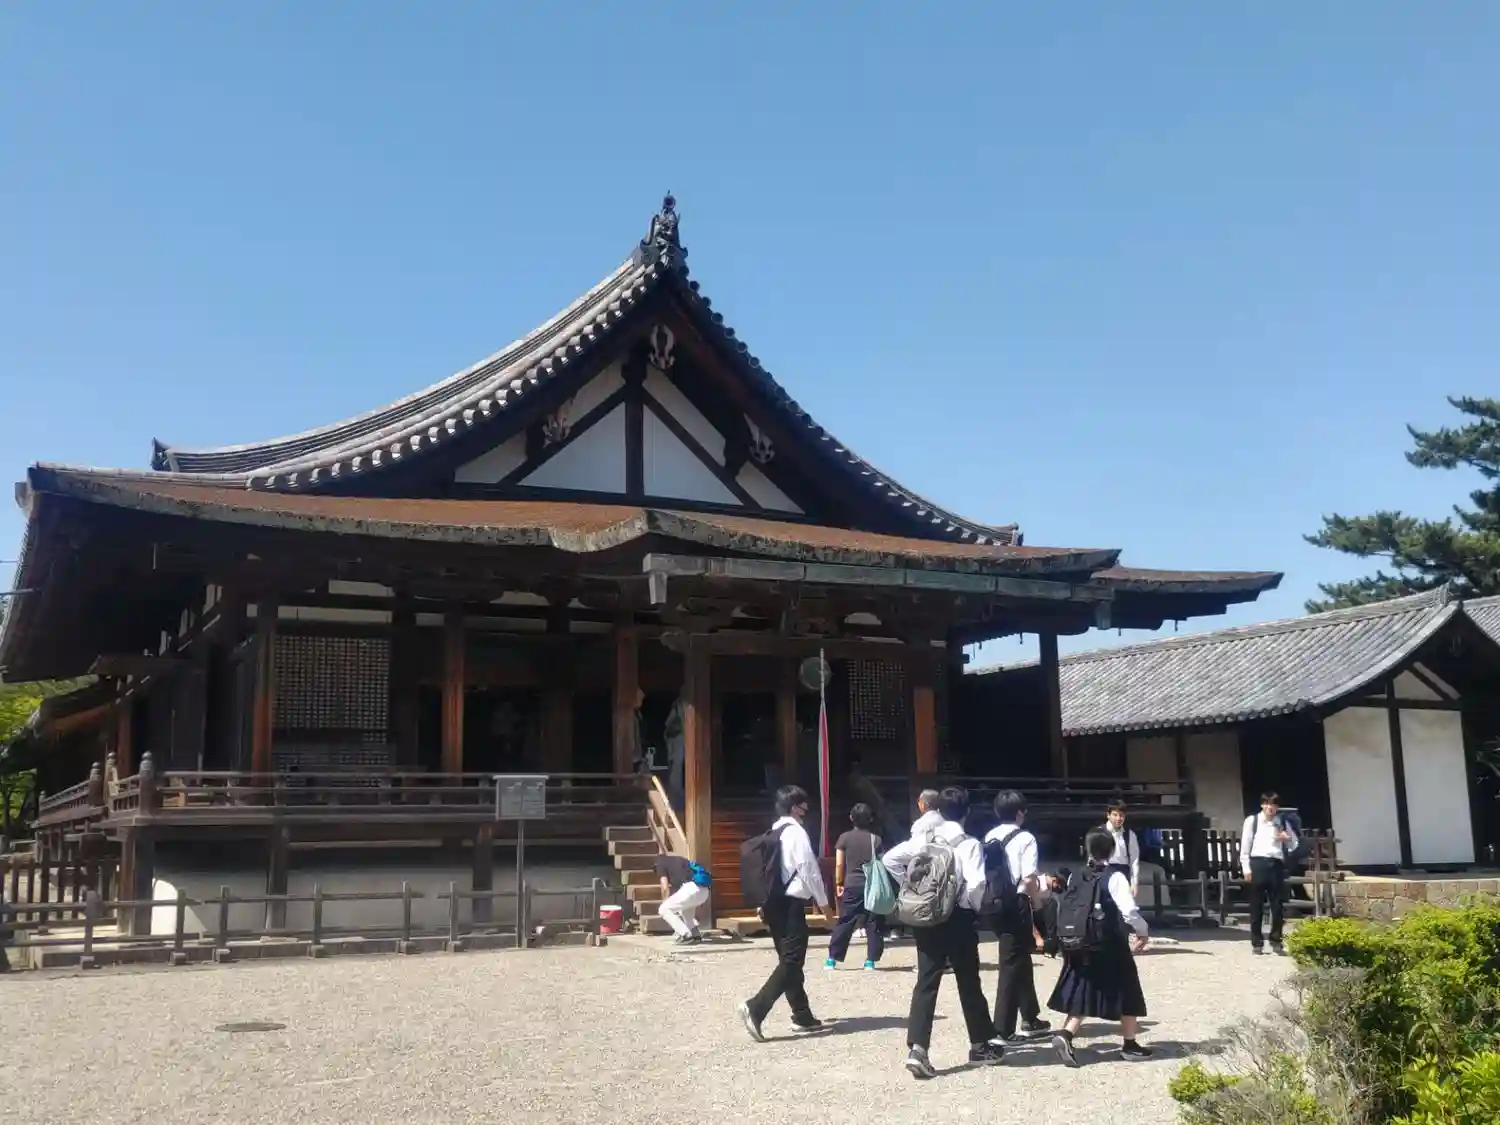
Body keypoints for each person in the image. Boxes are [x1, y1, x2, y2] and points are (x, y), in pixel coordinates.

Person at [883, 786, 1006, 1078]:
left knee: (926, 981)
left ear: (938, 811)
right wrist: (971, 906)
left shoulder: (924, 840)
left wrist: (913, 890)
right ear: (967, 812)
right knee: (968, 980)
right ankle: (979, 1045)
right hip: (958, 918)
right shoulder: (969, 844)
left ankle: (918, 1049)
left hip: (928, 916)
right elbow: (976, 884)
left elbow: (890, 859)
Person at [737, 786, 834, 1041]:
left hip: (773, 904)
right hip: (791, 904)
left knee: (788, 960)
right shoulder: (796, 832)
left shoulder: (773, 832)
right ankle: (756, 1007)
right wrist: (825, 906)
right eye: (804, 805)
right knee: (792, 961)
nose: (807, 809)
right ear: (794, 808)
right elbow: (808, 870)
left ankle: (802, 1014)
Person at [1050, 829, 1152, 1065]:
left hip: (1078, 940)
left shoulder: (1076, 876)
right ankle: (1129, 1044)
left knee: (1086, 988)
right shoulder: (1115, 877)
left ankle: (1066, 1034)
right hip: (1108, 941)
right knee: (1128, 987)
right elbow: (1128, 911)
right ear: (1112, 850)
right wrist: (1143, 930)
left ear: (1087, 849)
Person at [983, 790, 1051, 1043]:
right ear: (1020, 812)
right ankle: (1002, 1029)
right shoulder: (1026, 838)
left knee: (1019, 956)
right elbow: (1029, 877)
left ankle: (1030, 1017)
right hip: (1016, 902)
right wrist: (1037, 904)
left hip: (994, 903)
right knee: (1011, 963)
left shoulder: (990, 836)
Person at [826, 803, 885, 970]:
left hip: (852, 883)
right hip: (872, 884)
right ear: (870, 819)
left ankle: (832, 958)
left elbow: (839, 864)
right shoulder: (876, 839)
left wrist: (839, 883)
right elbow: (881, 862)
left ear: (851, 818)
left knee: (846, 920)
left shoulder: (844, 838)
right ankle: (870, 960)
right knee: (873, 921)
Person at [1240, 791, 1297, 954]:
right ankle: (1257, 943)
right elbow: (1245, 845)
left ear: (1277, 807)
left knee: (1277, 905)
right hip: (1257, 862)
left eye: (1273, 804)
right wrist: (1246, 868)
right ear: (1262, 805)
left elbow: (1294, 844)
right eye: (1267, 804)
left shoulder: (1282, 822)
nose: (1270, 807)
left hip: (1276, 863)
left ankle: (1276, 940)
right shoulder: (1252, 821)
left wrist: (1287, 839)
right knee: (1256, 905)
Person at [654, 852, 708, 945]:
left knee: (663, 909)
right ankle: (695, 935)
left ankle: (686, 935)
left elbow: (665, 887)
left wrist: (665, 901)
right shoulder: (680, 859)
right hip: (704, 891)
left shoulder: (660, 864)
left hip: (690, 888)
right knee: (685, 911)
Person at [1102, 802, 1141, 896]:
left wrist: (1134, 882)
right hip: (1103, 872)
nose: (1118, 818)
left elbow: (1134, 860)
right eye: (1115, 815)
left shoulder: (1130, 835)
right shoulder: (1099, 833)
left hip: (1123, 872)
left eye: (1121, 815)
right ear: (1108, 815)